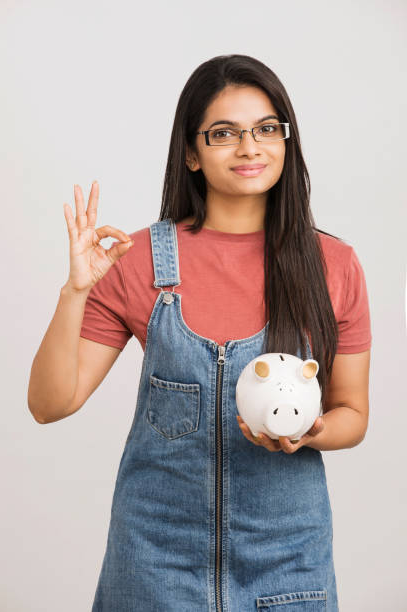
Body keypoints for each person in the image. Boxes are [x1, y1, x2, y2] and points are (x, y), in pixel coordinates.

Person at [28, 54, 371, 611]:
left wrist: (310, 432)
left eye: (265, 129)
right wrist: (75, 293)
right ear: (191, 152)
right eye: (223, 134)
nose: (249, 147)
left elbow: (352, 413)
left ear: (286, 139)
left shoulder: (333, 265)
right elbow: (49, 403)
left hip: (287, 561)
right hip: (155, 564)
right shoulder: (137, 260)